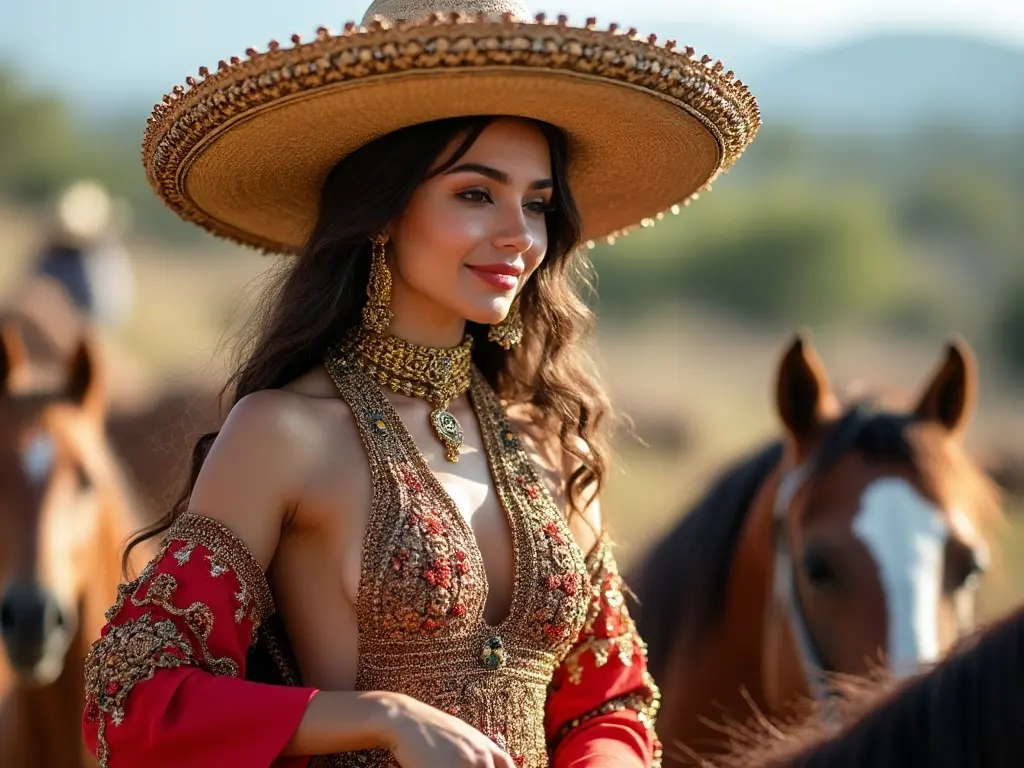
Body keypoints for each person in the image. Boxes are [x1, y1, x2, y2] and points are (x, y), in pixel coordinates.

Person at [80, 1, 760, 766]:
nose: (518, 234)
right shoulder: (284, 432)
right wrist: (382, 718)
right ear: (381, 211)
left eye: (536, 204)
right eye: (476, 194)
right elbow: (132, 698)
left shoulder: (550, 444)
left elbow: (610, 700)